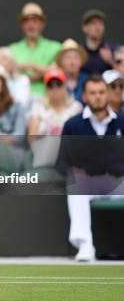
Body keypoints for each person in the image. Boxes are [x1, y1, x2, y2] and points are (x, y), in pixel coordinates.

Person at [57, 76, 124, 262]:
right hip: (88, 184)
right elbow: (62, 161)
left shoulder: (122, 122)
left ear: (109, 94)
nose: (98, 97)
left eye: (102, 92)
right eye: (93, 93)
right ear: (85, 96)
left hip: (119, 182)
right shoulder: (73, 125)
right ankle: (85, 245)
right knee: (75, 183)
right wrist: (75, 169)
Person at [27, 67, 82, 169]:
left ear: (65, 86)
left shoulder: (76, 107)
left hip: (70, 161)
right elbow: (31, 137)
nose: (55, 88)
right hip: (43, 159)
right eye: (50, 85)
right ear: (46, 88)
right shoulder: (38, 107)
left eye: (58, 84)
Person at [9, 2, 61, 97]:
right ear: (22, 25)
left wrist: (29, 66)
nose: (31, 25)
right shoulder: (12, 49)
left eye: (35, 21)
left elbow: (57, 73)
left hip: (48, 101)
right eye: (27, 21)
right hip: (19, 102)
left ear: (42, 24)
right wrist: (43, 72)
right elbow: (8, 74)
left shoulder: (55, 47)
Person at [80, 9, 118, 75]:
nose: (98, 27)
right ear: (85, 28)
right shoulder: (79, 52)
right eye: (93, 23)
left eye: (101, 23)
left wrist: (111, 61)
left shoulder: (113, 50)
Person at [56, 39, 88, 104]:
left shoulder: (87, 81)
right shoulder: (55, 81)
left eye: (76, 57)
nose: (72, 61)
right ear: (61, 62)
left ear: (81, 61)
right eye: (68, 57)